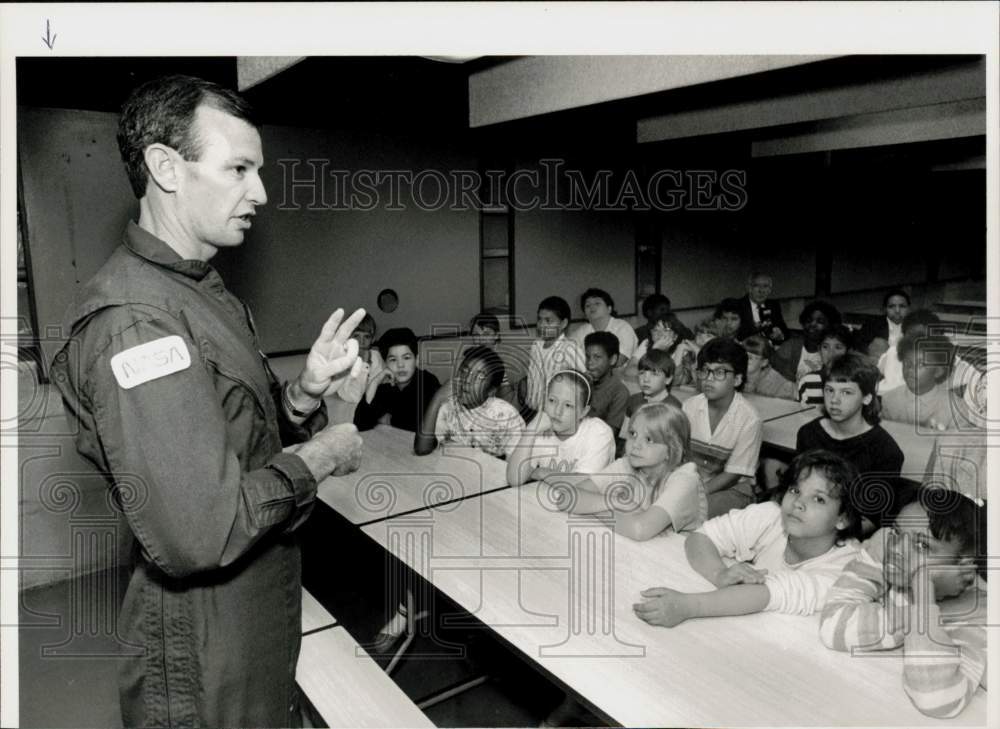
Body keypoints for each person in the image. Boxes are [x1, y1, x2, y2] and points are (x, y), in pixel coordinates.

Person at [48, 75, 366, 728]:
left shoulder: (200, 292)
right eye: (240, 168)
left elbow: (234, 442)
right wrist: (321, 456)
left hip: (252, 614)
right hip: (203, 642)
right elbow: (201, 531)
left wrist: (305, 391)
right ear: (166, 167)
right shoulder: (139, 318)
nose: (261, 192)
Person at [633, 450, 862, 627]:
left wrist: (686, 607)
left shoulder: (849, 569)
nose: (799, 503)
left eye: (819, 499)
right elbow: (701, 537)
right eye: (795, 490)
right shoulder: (773, 515)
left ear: (843, 519)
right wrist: (719, 574)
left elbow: (767, 593)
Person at [819, 487, 986, 719]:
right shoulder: (886, 552)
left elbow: (937, 699)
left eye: (922, 546)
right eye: (897, 533)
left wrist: (923, 590)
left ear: (964, 565)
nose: (898, 549)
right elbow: (833, 626)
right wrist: (913, 615)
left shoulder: (979, 612)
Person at [548, 401, 706, 540]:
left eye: (649, 439)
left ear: (672, 449)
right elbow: (566, 498)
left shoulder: (685, 478)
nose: (635, 444)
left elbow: (639, 530)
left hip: (676, 559)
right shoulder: (628, 463)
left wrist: (593, 506)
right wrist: (616, 502)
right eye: (633, 434)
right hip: (633, 544)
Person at [795, 353, 904, 530]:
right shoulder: (809, 434)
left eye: (846, 392)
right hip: (807, 518)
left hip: (848, 533)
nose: (835, 400)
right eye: (829, 390)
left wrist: (823, 531)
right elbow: (800, 489)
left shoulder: (885, 451)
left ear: (867, 398)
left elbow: (871, 520)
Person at [682, 338, 763, 517]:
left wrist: (694, 494)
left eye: (719, 372)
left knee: (693, 514)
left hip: (733, 489)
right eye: (705, 371)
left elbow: (732, 475)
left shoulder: (749, 419)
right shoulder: (689, 407)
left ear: (738, 379)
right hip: (693, 482)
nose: (709, 379)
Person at [506, 370, 614, 486]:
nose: (557, 411)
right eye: (552, 401)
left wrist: (543, 473)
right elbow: (514, 479)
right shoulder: (541, 427)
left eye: (568, 405)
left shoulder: (598, 432)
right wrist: (530, 431)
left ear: (584, 411)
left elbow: (584, 484)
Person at [415, 345, 525, 458]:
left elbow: (517, 465)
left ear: (491, 390)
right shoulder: (448, 407)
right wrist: (437, 399)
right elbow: (421, 449)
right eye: (464, 371)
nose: (467, 380)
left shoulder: (507, 416)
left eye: (479, 376)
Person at [353, 327, 440, 432]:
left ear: (416, 360)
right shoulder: (386, 388)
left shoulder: (428, 381)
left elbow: (424, 424)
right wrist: (374, 382)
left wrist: (389, 420)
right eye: (393, 359)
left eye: (406, 358)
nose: (400, 365)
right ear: (385, 363)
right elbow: (360, 423)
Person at [881, 334, 968, 430]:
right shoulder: (889, 400)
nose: (910, 369)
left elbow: (961, 442)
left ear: (938, 371)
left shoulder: (955, 408)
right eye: (907, 363)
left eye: (921, 364)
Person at [519, 296, 586, 415]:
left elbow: (586, 380)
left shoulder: (569, 349)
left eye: (548, 321)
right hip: (530, 410)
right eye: (539, 319)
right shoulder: (536, 345)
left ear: (563, 323)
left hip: (553, 415)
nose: (541, 325)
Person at [620, 349, 682, 454]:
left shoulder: (673, 407)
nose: (646, 379)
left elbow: (673, 448)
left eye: (654, 374)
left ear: (668, 379)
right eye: (642, 373)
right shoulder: (634, 400)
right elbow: (624, 436)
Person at [771, 300, 842, 383]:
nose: (813, 324)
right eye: (809, 320)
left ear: (830, 326)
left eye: (820, 322)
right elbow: (773, 372)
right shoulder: (792, 346)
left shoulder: (833, 351)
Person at [877, 309, 940, 393]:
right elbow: (879, 370)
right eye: (912, 336)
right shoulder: (893, 351)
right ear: (904, 335)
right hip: (885, 395)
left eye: (922, 337)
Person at [572, 288, 639, 365]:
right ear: (585, 315)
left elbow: (618, 361)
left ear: (609, 309)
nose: (592, 307)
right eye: (587, 305)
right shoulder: (582, 331)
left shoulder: (623, 328)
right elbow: (568, 353)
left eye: (597, 303)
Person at [583, 331, 630, 435]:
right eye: (587, 356)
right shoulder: (581, 383)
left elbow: (609, 433)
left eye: (597, 357)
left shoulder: (619, 392)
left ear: (612, 360)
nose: (590, 362)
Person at [796, 325, 853, 406]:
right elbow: (801, 415)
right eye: (825, 347)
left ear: (848, 351)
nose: (831, 353)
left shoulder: (855, 382)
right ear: (819, 350)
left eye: (838, 347)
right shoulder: (808, 381)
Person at [855, 288, 910, 360]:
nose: (897, 310)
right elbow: (860, 346)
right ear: (885, 309)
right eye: (892, 306)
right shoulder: (872, 324)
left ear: (909, 308)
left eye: (902, 306)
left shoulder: (917, 326)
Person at [735, 272, 789, 343]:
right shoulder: (737, 305)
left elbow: (785, 330)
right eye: (756, 286)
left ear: (770, 290)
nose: (761, 291)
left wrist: (780, 335)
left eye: (765, 286)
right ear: (749, 288)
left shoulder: (773, 305)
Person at [741, 334, 797, 400]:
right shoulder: (735, 375)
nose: (743, 360)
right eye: (742, 355)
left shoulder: (779, 384)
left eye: (750, 358)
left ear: (764, 362)